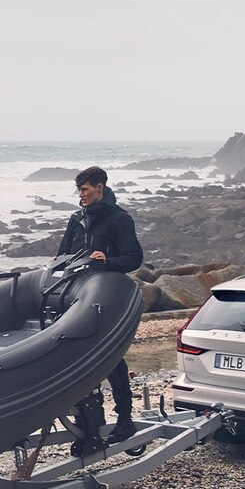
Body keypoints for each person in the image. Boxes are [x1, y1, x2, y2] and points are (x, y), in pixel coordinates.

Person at [55, 166, 143, 456]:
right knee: (82, 359)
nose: (81, 195)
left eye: (85, 190)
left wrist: (107, 261)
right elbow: (62, 254)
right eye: (79, 190)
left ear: (100, 188)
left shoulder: (119, 219)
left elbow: (134, 258)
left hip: (107, 296)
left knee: (112, 358)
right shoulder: (76, 219)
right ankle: (92, 425)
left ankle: (125, 420)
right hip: (77, 295)